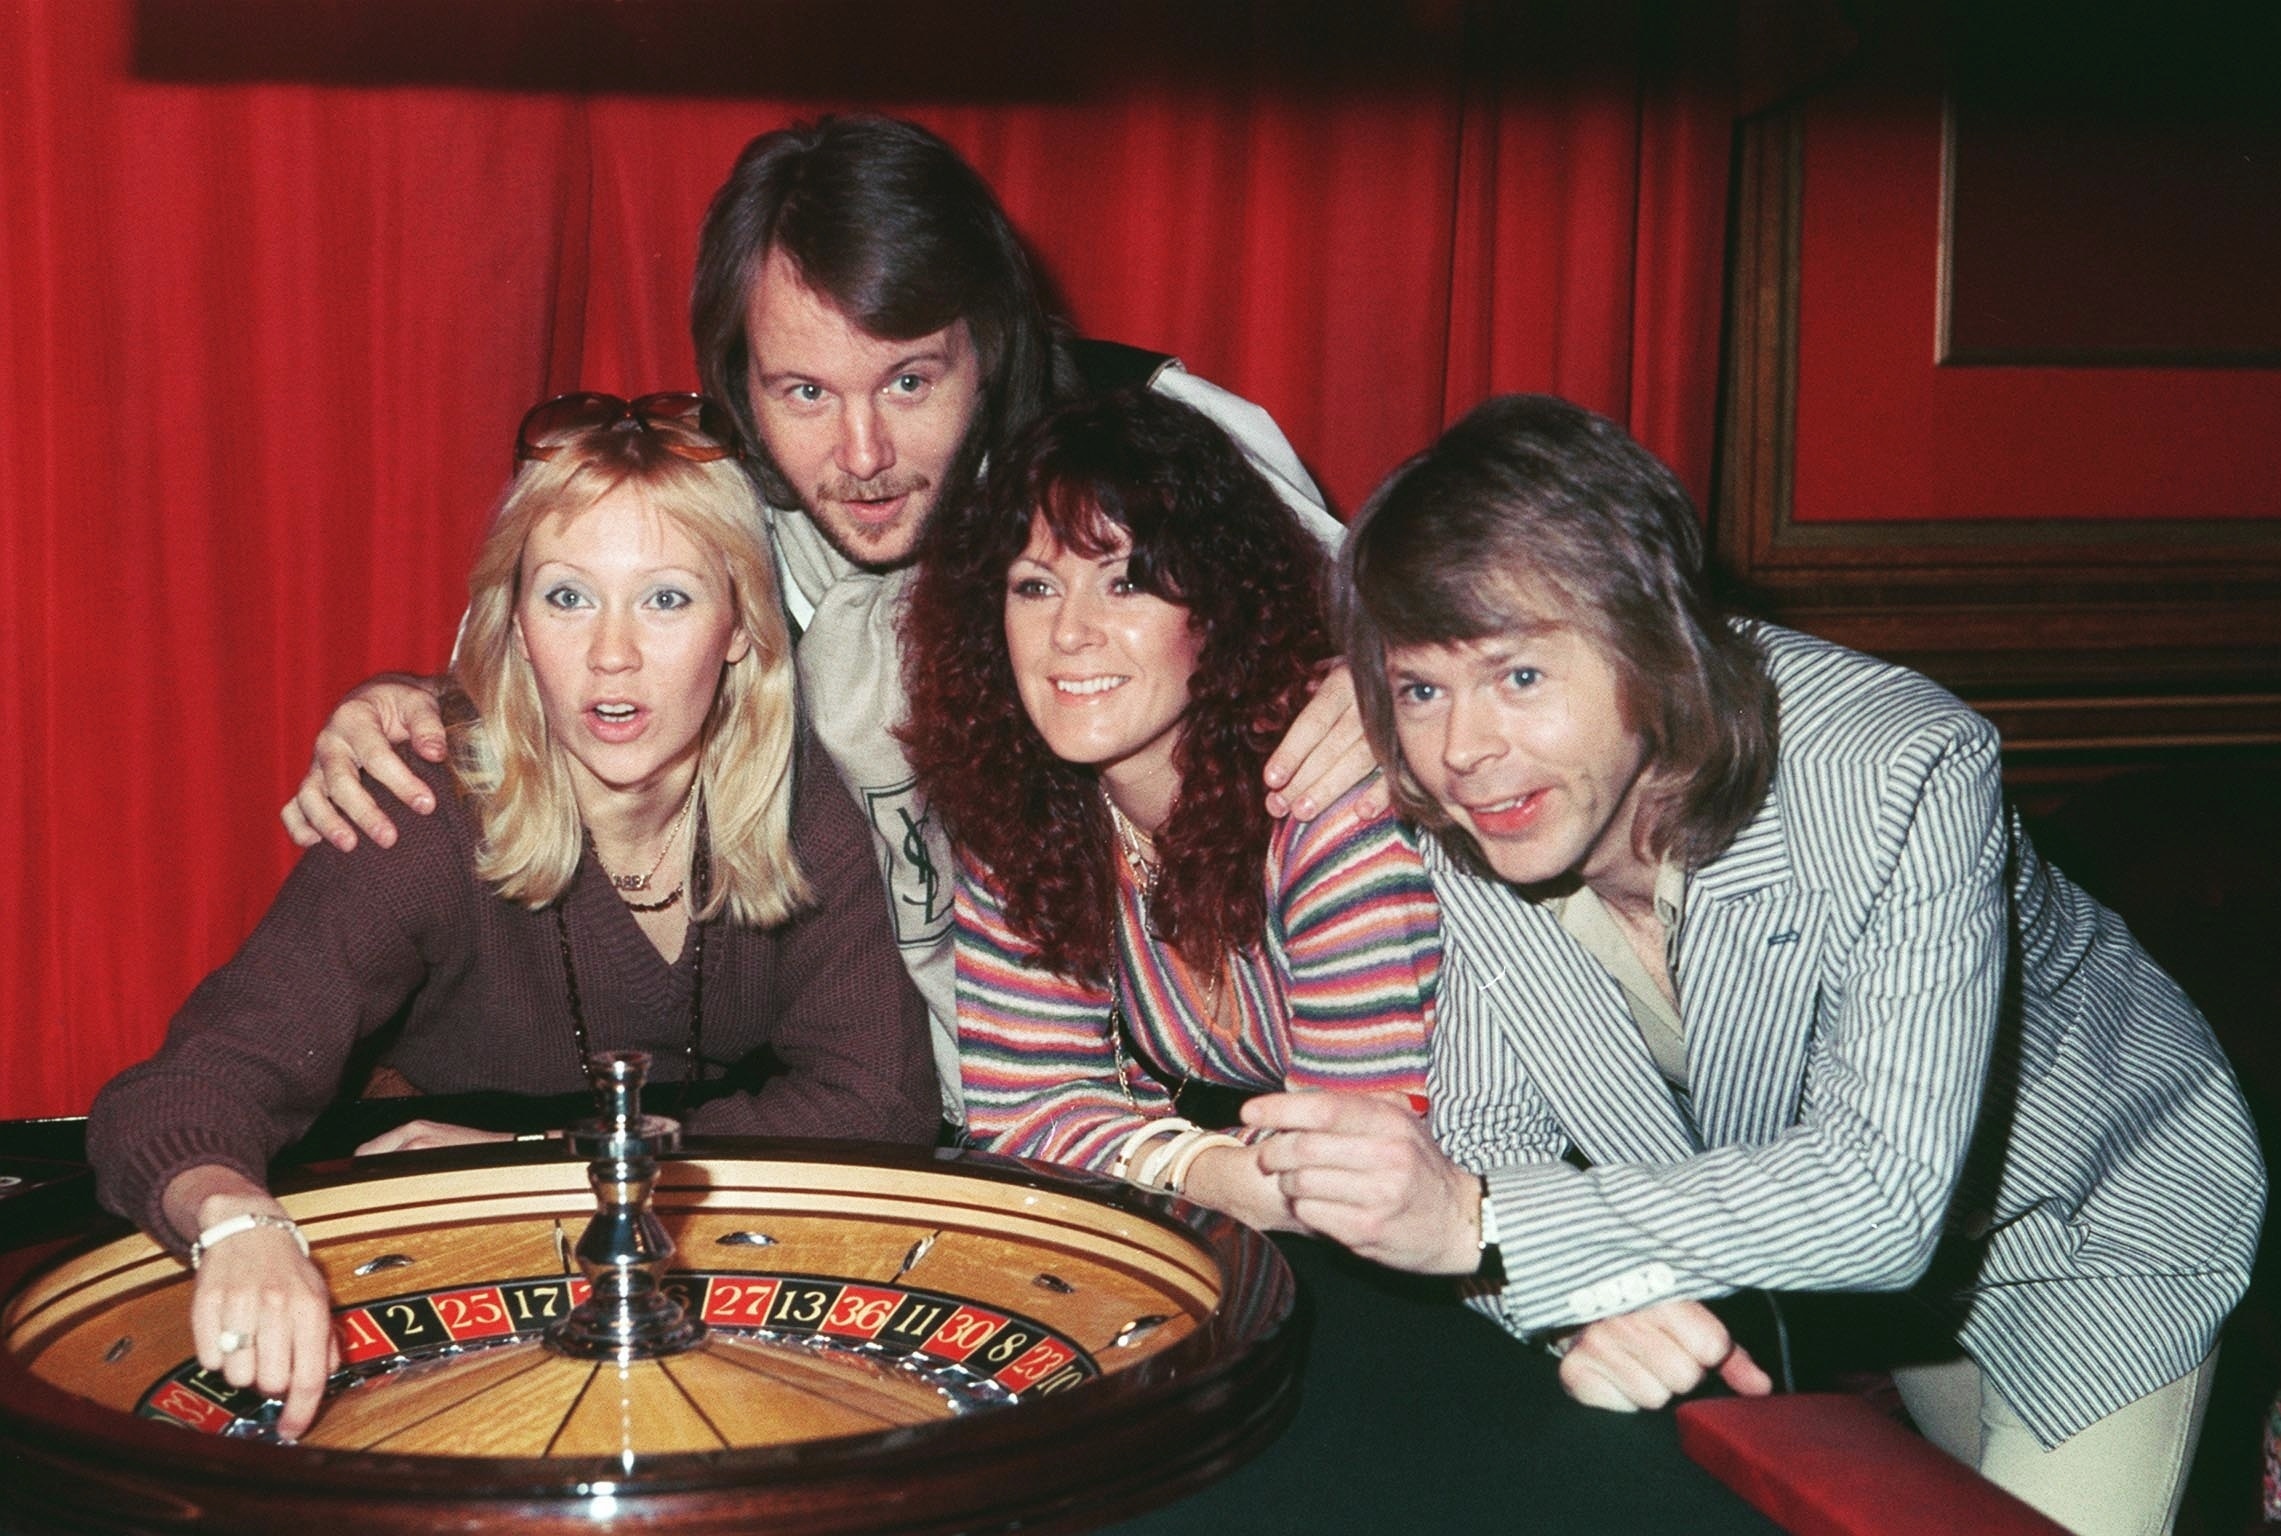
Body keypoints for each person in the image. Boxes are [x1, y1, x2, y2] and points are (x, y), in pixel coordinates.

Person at [1248, 395, 2265, 1536]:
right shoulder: (1472, 803)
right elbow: (1492, 1136)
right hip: (1866, 1276)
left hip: (2092, 1231)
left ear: (1651, 642)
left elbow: (1879, 1192)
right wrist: (1582, 1308)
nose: (1461, 749)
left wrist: (1488, 1229)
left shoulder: (1897, 768)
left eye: (1518, 676)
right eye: (1421, 689)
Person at [275, 117, 1382, 1125]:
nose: (862, 457)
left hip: (1254, 1088)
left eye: (909, 383)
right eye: (804, 393)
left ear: (990, 347)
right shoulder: (714, 506)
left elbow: (1439, 669)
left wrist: (1380, 687)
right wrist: (406, 706)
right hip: (921, 1115)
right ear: (740, 385)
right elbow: (556, 675)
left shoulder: (1169, 444)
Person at [88, 393, 939, 1440]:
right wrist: (236, 1227)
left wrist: (538, 1158)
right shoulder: (423, 812)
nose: (612, 654)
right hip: (458, 1282)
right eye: (568, 597)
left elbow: (879, 1102)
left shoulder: (800, 801)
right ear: (517, 625)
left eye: (667, 599)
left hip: (690, 1271)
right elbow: (181, 1093)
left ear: (739, 629)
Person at [898, 390, 1437, 1225]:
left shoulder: (1325, 800)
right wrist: (1202, 1167)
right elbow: (1027, 1114)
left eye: (1126, 582)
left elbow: (1351, 1170)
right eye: (1035, 586)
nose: (1070, 632)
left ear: (1218, 608)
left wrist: (1161, 1159)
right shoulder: (1022, 810)